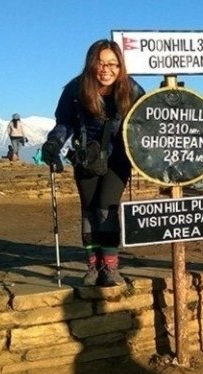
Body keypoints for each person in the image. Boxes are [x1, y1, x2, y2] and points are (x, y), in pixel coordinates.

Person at [41, 39, 145, 286]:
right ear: (91, 64)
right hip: (85, 158)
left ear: (121, 67)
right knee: (88, 210)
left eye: (113, 64)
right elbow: (64, 123)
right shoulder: (75, 90)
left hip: (118, 158)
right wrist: (53, 144)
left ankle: (110, 267)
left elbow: (147, 119)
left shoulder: (131, 90)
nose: (106, 69)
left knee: (106, 207)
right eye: (101, 63)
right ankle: (92, 266)